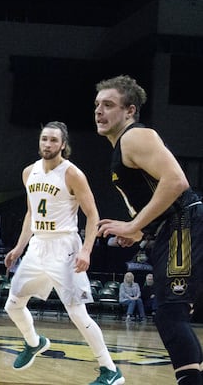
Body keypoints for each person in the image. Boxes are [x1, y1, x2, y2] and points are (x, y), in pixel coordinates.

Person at [94, 75, 203, 385]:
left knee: (170, 312)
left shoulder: (134, 137)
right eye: (97, 105)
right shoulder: (121, 149)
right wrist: (139, 232)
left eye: (109, 105)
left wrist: (133, 224)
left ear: (130, 111)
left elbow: (177, 182)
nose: (100, 111)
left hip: (184, 222)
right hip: (173, 228)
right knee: (173, 313)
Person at [3, 121, 124, 384]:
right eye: (44, 139)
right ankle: (34, 343)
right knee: (12, 304)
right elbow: (30, 213)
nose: (47, 144)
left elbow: (93, 215)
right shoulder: (28, 173)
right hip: (37, 245)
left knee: (77, 313)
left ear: (63, 145)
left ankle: (110, 369)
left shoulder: (72, 174)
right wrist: (19, 247)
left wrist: (87, 250)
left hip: (65, 246)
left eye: (53, 141)